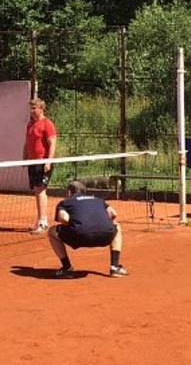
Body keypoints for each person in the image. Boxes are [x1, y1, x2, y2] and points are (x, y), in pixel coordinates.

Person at [49, 180, 127, 278]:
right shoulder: (99, 200)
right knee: (117, 226)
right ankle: (115, 267)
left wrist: (76, 224)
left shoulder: (65, 202)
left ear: (69, 192)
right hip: (105, 236)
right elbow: (113, 214)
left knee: (52, 231)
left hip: (79, 235)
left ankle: (67, 268)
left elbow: (63, 218)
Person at [23, 97, 57, 234]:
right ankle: (40, 220)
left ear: (41, 109)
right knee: (37, 191)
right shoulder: (30, 124)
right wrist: (23, 157)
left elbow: (52, 143)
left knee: (41, 190)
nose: (31, 111)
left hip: (42, 162)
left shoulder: (47, 124)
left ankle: (43, 222)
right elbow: (27, 143)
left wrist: (48, 161)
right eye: (30, 108)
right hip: (32, 162)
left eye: (34, 108)